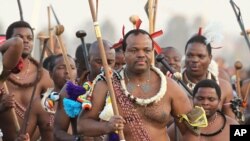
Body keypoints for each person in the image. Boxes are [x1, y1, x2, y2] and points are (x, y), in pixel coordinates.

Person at [77, 29, 206, 141]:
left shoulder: (169, 87)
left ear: (152, 52)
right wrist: (107, 126)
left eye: (147, 50)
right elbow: (82, 125)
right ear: (123, 52)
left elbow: (191, 130)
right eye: (134, 50)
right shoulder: (107, 84)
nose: (141, 55)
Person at [0, 21, 53, 140]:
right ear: (9, 42)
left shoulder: (44, 76)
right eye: (19, 37)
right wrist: (2, 107)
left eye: (29, 38)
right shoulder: (1, 74)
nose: (26, 41)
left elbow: (53, 117)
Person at [53, 40, 115, 140]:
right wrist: (77, 140)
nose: (105, 67)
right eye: (99, 62)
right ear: (89, 60)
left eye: (110, 62)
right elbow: (58, 132)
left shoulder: (122, 87)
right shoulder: (71, 89)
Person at [182, 34, 236, 119]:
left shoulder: (224, 87)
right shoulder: (173, 85)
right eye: (190, 55)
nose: (195, 60)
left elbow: (232, 123)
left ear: (210, 58)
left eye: (200, 56)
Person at [168, 79, 239, 141]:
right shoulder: (180, 127)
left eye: (211, 99)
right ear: (193, 99)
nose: (205, 103)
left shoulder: (233, 125)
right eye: (200, 98)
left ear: (219, 101)